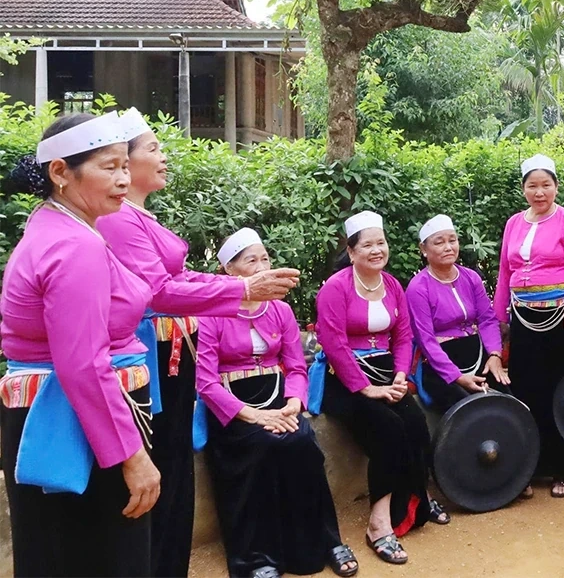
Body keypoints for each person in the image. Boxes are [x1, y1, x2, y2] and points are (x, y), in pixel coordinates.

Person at [96, 108, 301, 578]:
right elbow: (160, 291)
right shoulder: (121, 220)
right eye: (153, 148)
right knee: (162, 472)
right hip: (154, 352)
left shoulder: (137, 216)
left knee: (173, 470)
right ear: (123, 163)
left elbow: (176, 279)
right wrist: (242, 290)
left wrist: (237, 289)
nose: (163, 157)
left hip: (171, 352)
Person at [0, 113, 160, 576]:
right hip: (81, 425)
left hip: (60, 420)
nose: (123, 178)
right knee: (103, 558)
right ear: (59, 172)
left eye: (124, 165)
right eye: (108, 167)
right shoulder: (76, 245)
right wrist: (132, 457)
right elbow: (84, 365)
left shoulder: (55, 226)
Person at [196, 229, 357, 578]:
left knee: (302, 444)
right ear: (230, 271)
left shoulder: (281, 311)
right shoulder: (211, 314)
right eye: (250, 260)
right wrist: (253, 416)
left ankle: (326, 541)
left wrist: (293, 403)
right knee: (263, 447)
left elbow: (297, 367)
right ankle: (257, 558)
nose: (262, 266)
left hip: (279, 402)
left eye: (265, 258)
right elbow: (205, 382)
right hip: (235, 410)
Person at [313, 211, 449, 566]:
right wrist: (364, 388)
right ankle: (379, 523)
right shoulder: (336, 288)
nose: (377, 250)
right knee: (388, 428)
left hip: (387, 374)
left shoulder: (391, 286)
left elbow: (403, 336)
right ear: (352, 250)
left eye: (381, 243)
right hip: (345, 379)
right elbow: (333, 343)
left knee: (415, 424)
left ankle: (418, 499)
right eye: (368, 244)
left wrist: (401, 375)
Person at [494, 154, 564, 498]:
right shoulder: (513, 224)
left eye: (546, 185)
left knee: (559, 393)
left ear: (556, 187)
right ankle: (528, 468)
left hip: (560, 320)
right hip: (524, 319)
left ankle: (562, 469)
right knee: (526, 391)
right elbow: (504, 275)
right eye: (532, 186)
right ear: (523, 189)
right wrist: (500, 320)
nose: (540, 192)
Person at [406, 214, 508, 414]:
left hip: (478, 357)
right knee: (469, 413)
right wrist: (457, 377)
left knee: (508, 405)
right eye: (439, 242)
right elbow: (426, 340)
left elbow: (487, 319)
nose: (448, 247)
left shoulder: (471, 278)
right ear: (424, 249)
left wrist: (495, 355)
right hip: (439, 369)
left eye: (452, 240)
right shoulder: (418, 287)